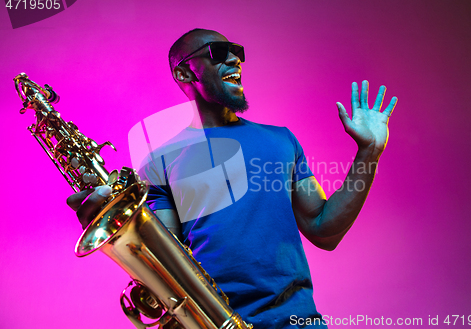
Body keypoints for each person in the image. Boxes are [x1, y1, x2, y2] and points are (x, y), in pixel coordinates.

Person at [67, 28, 398, 328]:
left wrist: (369, 152)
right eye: (218, 52)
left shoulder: (282, 140)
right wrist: (111, 213)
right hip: (213, 322)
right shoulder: (160, 162)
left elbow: (324, 230)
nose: (235, 59)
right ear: (184, 72)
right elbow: (166, 267)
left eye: (237, 51)